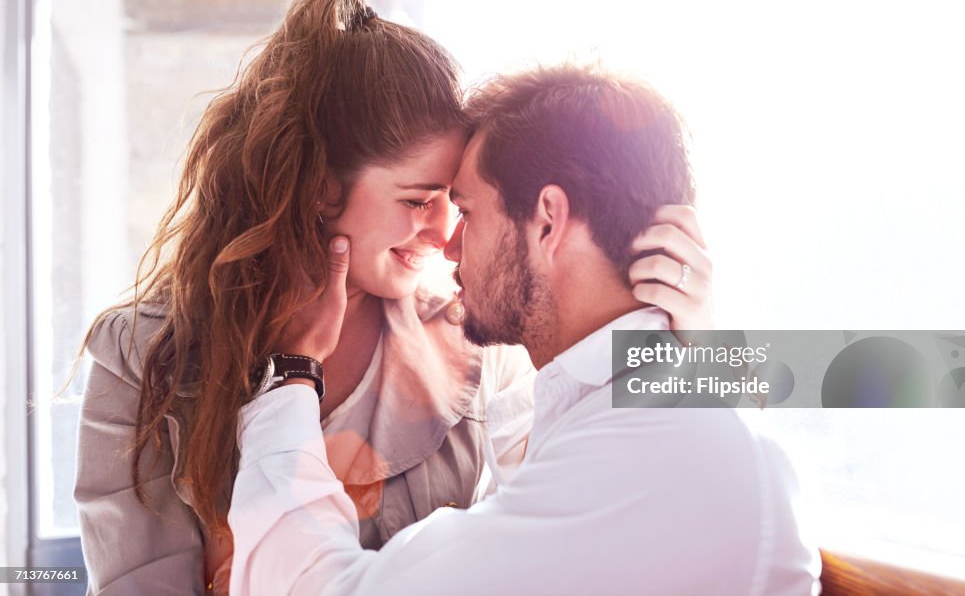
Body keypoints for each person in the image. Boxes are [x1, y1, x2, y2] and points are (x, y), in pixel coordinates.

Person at [73, 0, 713, 594]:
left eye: (457, 202)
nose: (444, 233)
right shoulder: (139, 353)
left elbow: (606, 492)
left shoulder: (477, 332)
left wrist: (704, 345)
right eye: (417, 200)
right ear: (320, 186)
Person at [227, 64, 821, 595]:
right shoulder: (640, 408)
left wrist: (291, 369)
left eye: (467, 211)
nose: (449, 245)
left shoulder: (647, 450)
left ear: (547, 221)